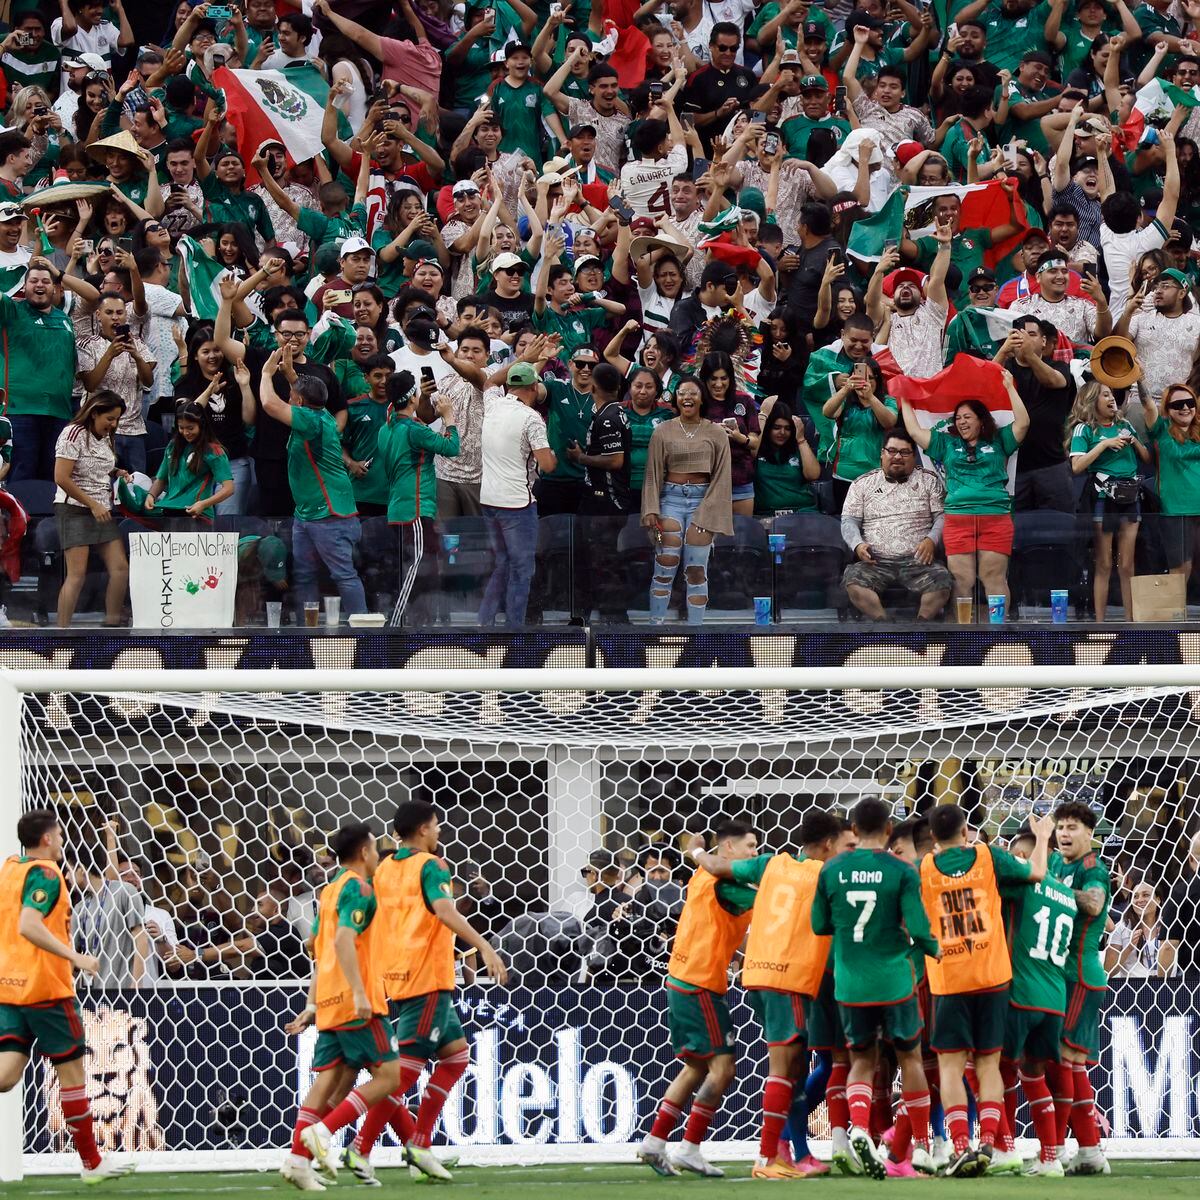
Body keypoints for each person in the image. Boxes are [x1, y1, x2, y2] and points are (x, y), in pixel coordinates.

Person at [344, 801, 508, 1184]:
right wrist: (484, 946)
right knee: (400, 1076)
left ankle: (419, 1141)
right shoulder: (432, 865)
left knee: (456, 1059)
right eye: (436, 825)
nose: (439, 832)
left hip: (398, 975)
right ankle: (360, 1146)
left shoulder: (384, 868)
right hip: (427, 978)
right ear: (422, 829)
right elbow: (444, 910)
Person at [691, 809, 843, 1179]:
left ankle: (782, 1152)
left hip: (760, 975)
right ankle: (767, 1157)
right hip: (787, 977)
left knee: (792, 1067)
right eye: (842, 845)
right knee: (783, 1067)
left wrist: (695, 852)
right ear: (827, 845)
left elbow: (719, 868)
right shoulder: (824, 874)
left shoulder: (771, 864)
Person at [919, 803, 1051, 1177]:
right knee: (989, 1064)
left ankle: (961, 1145)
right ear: (965, 833)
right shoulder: (987, 856)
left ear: (932, 838)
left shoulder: (924, 869)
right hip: (992, 978)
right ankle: (990, 1142)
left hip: (948, 980)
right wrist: (1041, 837)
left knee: (950, 1065)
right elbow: (1037, 872)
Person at [0, 810, 133, 1183]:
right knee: (73, 1077)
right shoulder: (45, 874)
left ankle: (93, 1162)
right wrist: (74, 956)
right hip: (45, 989)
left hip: (10, 988)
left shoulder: (11, 868)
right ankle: (92, 1163)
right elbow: (28, 923)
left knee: (7, 1076)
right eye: (58, 834)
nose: (61, 840)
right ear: (46, 839)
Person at [810, 797, 939, 1180]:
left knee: (862, 1062)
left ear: (853, 826)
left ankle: (862, 1130)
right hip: (896, 981)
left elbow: (819, 924)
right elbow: (918, 928)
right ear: (887, 830)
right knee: (911, 1060)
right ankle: (920, 1147)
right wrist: (936, 949)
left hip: (850, 983)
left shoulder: (831, 869)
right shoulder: (901, 870)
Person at [279, 822, 399, 1193]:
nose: (378, 856)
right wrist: (361, 993)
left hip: (330, 999)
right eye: (375, 850)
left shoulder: (329, 891)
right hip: (354, 1001)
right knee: (390, 1078)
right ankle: (324, 1132)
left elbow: (317, 946)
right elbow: (344, 939)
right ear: (364, 852)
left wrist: (313, 1003)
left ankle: (297, 1161)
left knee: (330, 1082)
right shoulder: (360, 889)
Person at [636, 817, 759, 1178]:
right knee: (724, 1069)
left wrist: (696, 851)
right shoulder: (726, 884)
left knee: (696, 1067)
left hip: (683, 979)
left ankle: (655, 1142)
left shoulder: (702, 876)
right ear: (729, 848)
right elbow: (765, 905)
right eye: (750, 846)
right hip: (701, 983)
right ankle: (689, 1146)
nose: (754, 853)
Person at [901, 374, 1030, 621]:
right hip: (958, 520)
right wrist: (905, 399)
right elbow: (915, 431)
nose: (961, 422)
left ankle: (998, 632)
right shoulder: (946, 443)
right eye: (958, 418)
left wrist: (1008, 388)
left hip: (995, 518)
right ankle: (965, 636)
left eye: (967, 417)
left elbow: (1023, 423)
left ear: (982, 421)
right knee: (962, 580)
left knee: (993, 578)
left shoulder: (1000, 440)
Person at [259, 349, 366, 624]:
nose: (290, 397)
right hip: (307, 513)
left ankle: (365, 632)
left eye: (293, 395)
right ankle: (309, 628)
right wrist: (289, 372)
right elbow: (302, 390)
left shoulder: (309, 420)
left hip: (328, 514)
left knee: (343, 574)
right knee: (305, 574)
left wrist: (266, 373)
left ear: (298, 401)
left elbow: (270, 404)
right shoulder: (323, 413)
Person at [1003, 826, 1079, 1176]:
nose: (1016, 859)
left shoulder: (1020, 886)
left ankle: (1002, 1147)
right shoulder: (1065, 894)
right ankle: (1050, 1157)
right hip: (1054, 999)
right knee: (1034, 1075)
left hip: (1021, 993)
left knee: (993, 1070)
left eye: (1021, 854)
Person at [1046, 802, 1112, 1177]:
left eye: (1072, 827)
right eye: (1061, 827)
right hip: (1059, 972)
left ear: (1090, 833)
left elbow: (1094, 903)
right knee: (1070, 1064)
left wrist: (1055, 893)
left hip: (1080, 975)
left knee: (1062, 1060)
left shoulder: (1093, 869)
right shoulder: (1056, 862)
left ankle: (1055, 1150)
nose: (1065, 833)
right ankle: (1088, 1150)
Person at [640, 377, 733, 625]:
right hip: (670, 499)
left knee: (696, 570)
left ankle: (696, 631)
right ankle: (655, 626)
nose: (687, 398)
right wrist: (650, 508)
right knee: (665, 565)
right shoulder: (662, 430)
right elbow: (652, 473)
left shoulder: (716, 432)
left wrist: (711, 510)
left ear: (702, 398)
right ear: (676, 398)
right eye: (682, 393)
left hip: (703, 500)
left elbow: (723, 476)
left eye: (693, 393)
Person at [376, 369, 460, 625]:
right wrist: (449, 417)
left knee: (420, 569)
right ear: (412, 398)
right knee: (417, 567)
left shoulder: (386, 428)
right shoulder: (415, 430)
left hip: (398, 509)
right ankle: (396, 623)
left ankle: (418, 621)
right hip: (416, 510)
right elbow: (452, 447)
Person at [840, 430, 953, 621]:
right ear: (882, 454)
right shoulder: (862, 483)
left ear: (914, 456)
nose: (897, 457)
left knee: (942, 580)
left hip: (918, 560)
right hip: (875, 561)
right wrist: (858, 544)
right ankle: (885, 626)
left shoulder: (929, 480)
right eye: (891, 451)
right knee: (853, 581)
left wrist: (931, 540)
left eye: (904, 452)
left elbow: (942, 517)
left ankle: (920, 626)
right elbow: (849, 521)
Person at [479, 361, 556, 627]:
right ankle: (514, 629)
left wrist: (515, 363)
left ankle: (485, 622)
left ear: (510, 386)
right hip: (517, 504)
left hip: (488, 500)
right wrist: (553, 457)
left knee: (501, 564)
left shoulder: (493, 404)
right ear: (534, 387)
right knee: (522, 569)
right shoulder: (531, 418)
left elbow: (489, 383)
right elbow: (546, 464)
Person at [1068, 380, 1150, 621]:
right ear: (1093, 400)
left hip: (1131, 495)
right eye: (1105, 395)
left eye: (1112, 394)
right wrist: (1104, 444)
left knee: (1127, 564)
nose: (1111, 398)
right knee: (1104, 563)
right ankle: (1100, 623)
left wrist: (1133, 440)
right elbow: (1077, 466)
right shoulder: (1084, 429)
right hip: (1103, 497)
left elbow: (1146, 456)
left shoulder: (1125, 425)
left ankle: (1130, 621)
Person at [51, 391, 129, 629]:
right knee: (77, 574)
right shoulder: (72, 433)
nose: (113, 424)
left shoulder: (106, 435)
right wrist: (91, 503)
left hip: (101, 509)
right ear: (94, 413)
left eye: (116, 419)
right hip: (74, 510)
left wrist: (117, 472)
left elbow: (97, 465)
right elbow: (61, 477)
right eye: (110, 418)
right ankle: (61, 633)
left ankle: (112, 623)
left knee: (120, 569)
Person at [998, 316, 1077, 514]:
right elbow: (983, 385)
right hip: (1014, 467)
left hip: (1052, 464)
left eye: (1031, 334)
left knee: (1061, 526)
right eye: (1018, 335)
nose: (1024, 340)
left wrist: (1030, 355)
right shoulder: (1005, 369)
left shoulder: (1059, 366)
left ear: (1044, 341)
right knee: (1016, 534)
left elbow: (1054, 381)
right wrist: (1002, 351)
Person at [143, 400, 234, 528]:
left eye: (190, 428)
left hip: (198, 514)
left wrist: (203, 504)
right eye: (181, 428)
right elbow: (161, 479)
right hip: (169, 511)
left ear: (201, 425)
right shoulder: (172, 446)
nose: (186, 432)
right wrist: (151, 495)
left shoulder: (214, 451)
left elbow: (229, 488)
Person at [1142, 382, 1200, 581]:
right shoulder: (1162, 429)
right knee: (1180, 569)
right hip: (1176, 510)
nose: (1185, 407)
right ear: (1167, 410)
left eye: (1189, 402)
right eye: (1178, 404)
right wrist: (1140, 381)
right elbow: (1147, 404)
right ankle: (1177, 613)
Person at [752, 397, 820, 517]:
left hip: (803, 512)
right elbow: (752, 447)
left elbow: (813, 475)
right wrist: (763, 415)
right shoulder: (756, 452)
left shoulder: (798, 448)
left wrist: (801, 439)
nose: (782, 433)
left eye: (787, 428)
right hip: (766, 516)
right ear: (767, 428)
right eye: (776, 428)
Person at [1104, 880, 1165, 978]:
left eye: (1145, 895)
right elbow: (1108, 971)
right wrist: (1129, 948)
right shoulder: (1122, 927)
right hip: (1133, 989)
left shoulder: (1169, 925)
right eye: (1135, 896)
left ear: (1158, 900)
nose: (1140, 900)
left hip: (1167, 986)